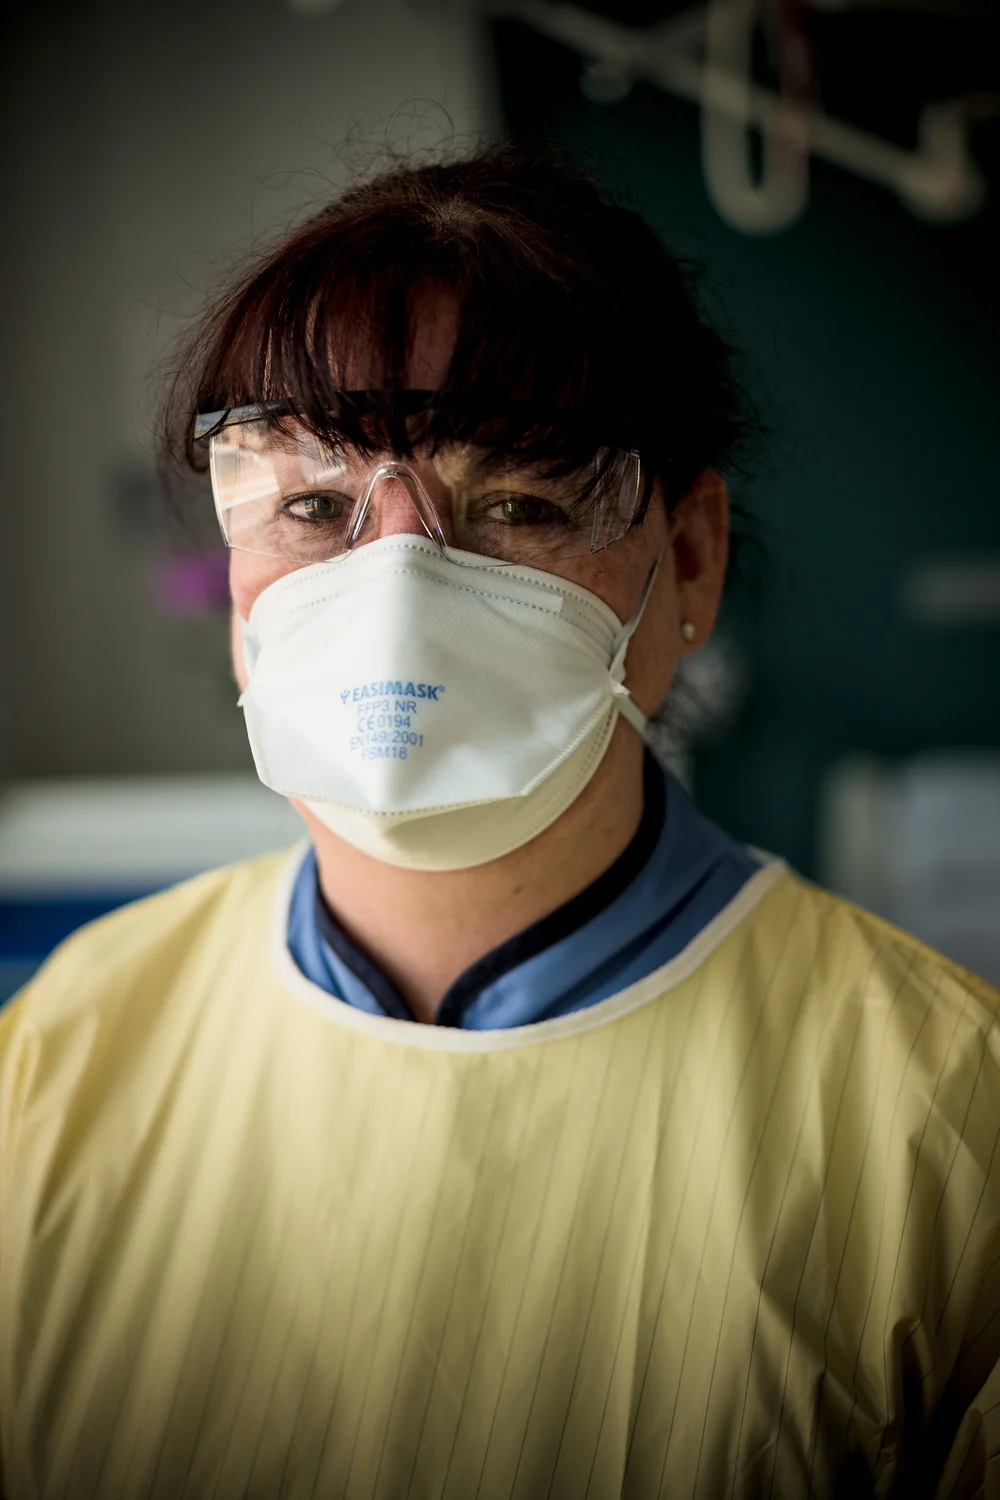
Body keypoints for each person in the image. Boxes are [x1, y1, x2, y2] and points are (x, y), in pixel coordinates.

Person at [1, 144, 998, 1500]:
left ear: (688, 560)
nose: (397, 589)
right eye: (312, 504)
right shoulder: (60, 1057)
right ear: (238, 581)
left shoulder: (945, 1124)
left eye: (518, 502)